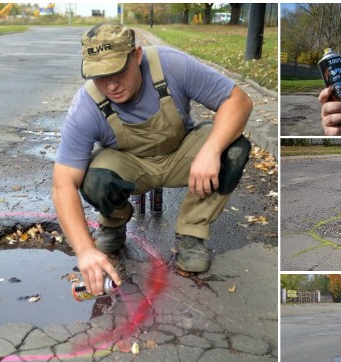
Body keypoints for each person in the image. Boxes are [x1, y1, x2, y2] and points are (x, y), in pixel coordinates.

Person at [52, 23, 253, 295]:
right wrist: (85, 250)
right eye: (99, 76)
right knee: (93, 179)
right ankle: (113, 223)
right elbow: (63, 184)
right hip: (132, 166)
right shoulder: (85, 106)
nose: (111, 85)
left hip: (182, 155)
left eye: (118, 71)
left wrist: (211, 150)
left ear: (136, 55)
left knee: (234, 149)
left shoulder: (170, 65)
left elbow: (238, 101)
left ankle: (191, 233)